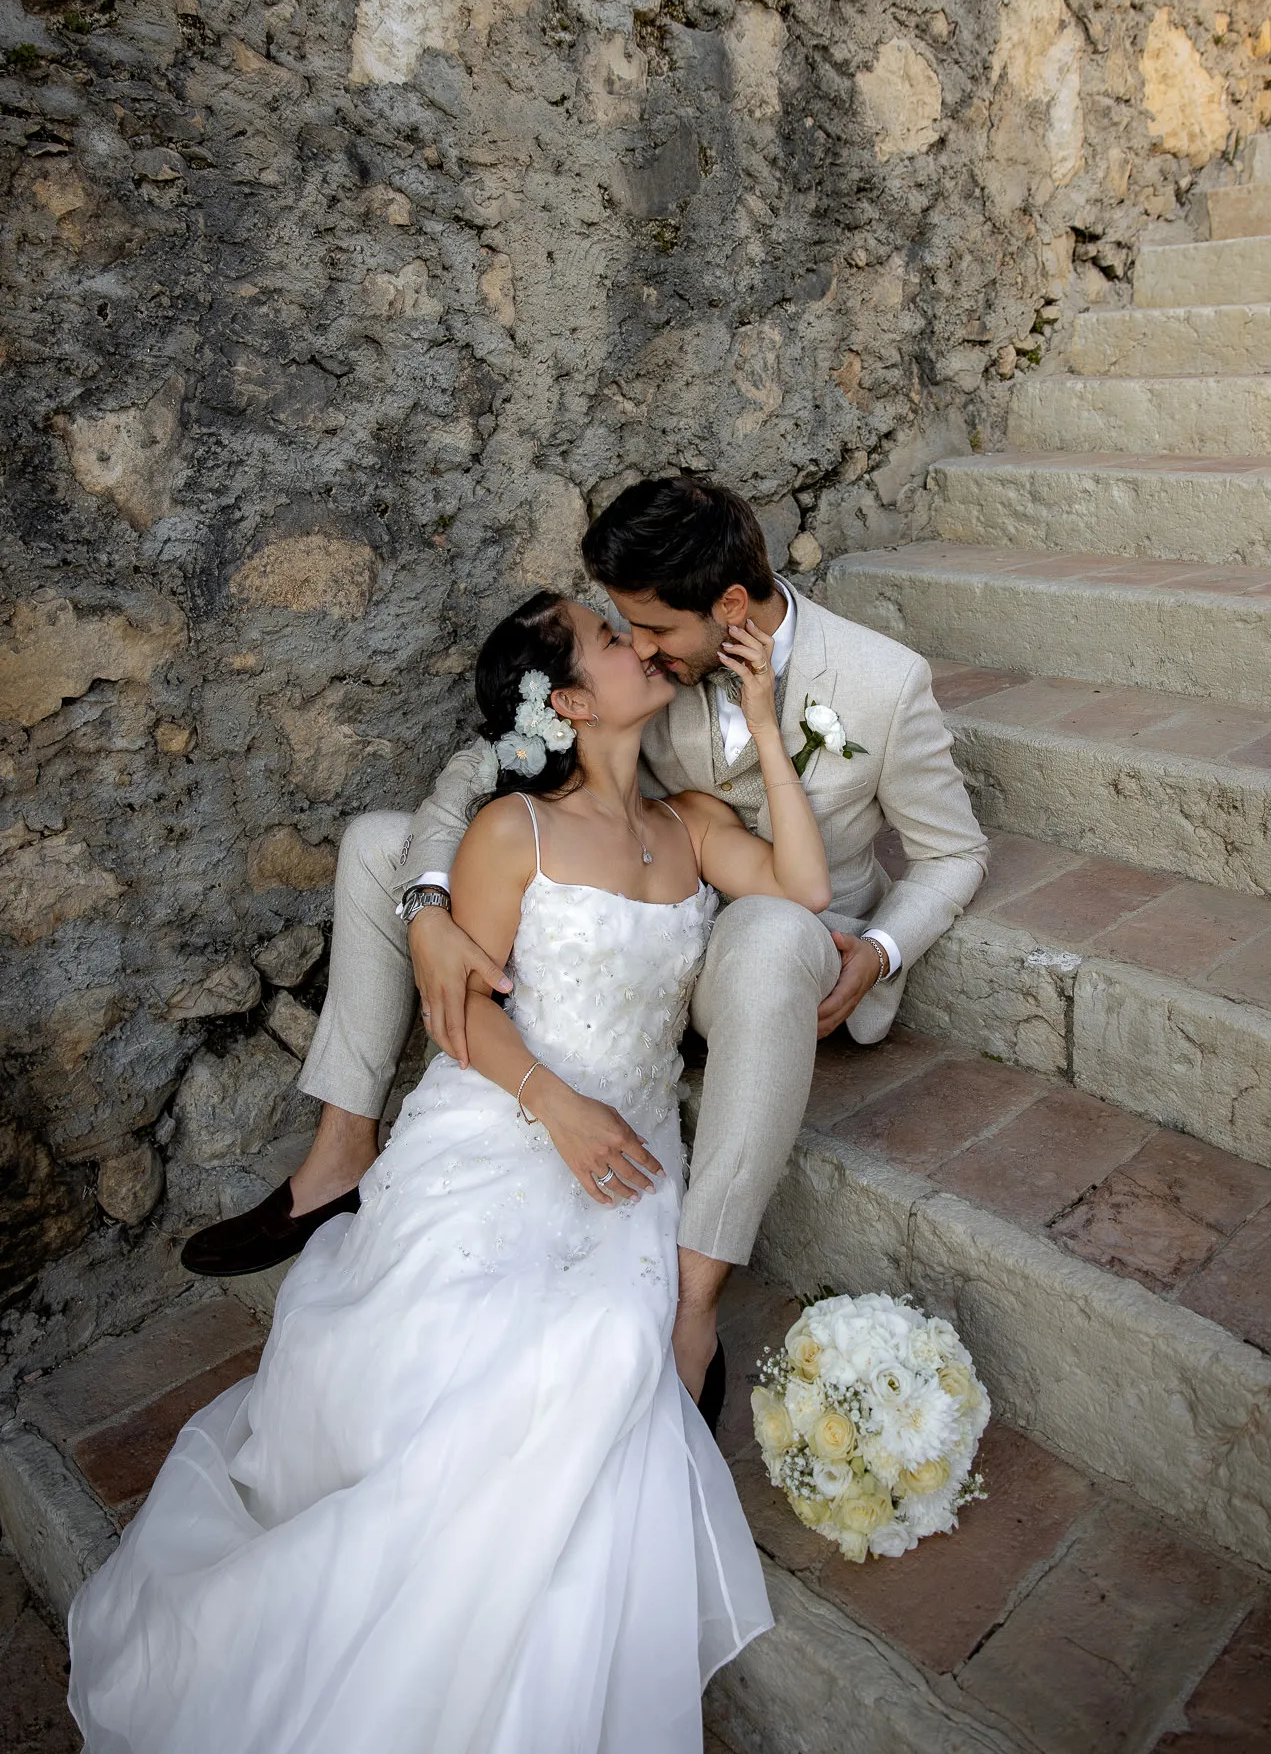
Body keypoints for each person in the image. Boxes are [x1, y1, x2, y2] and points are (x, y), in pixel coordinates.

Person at [69, 591, 832, 1753]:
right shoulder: (506, 832)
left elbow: (806, 891)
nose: (642, 647)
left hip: (630, 1148)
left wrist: (767, 725)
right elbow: (463, 1022)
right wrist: (557, 1108)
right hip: (503, 1120)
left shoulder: (685, 823)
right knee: (491, 1359)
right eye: (613, 643)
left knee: (594, 1353)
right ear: (568, 702)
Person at [182, 478, 987, 1406]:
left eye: (647, 629)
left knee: (768, 929)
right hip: (633, 917)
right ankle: (341, 1148)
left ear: (728, 606)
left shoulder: (882, 682)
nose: (637, 644)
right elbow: (485, 764)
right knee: (379, 846)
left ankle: (694, 1296)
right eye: (620, 629)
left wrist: (880, 951)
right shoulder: (640, 679)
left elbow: (954, 853)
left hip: (767, 938)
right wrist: (433, 913)